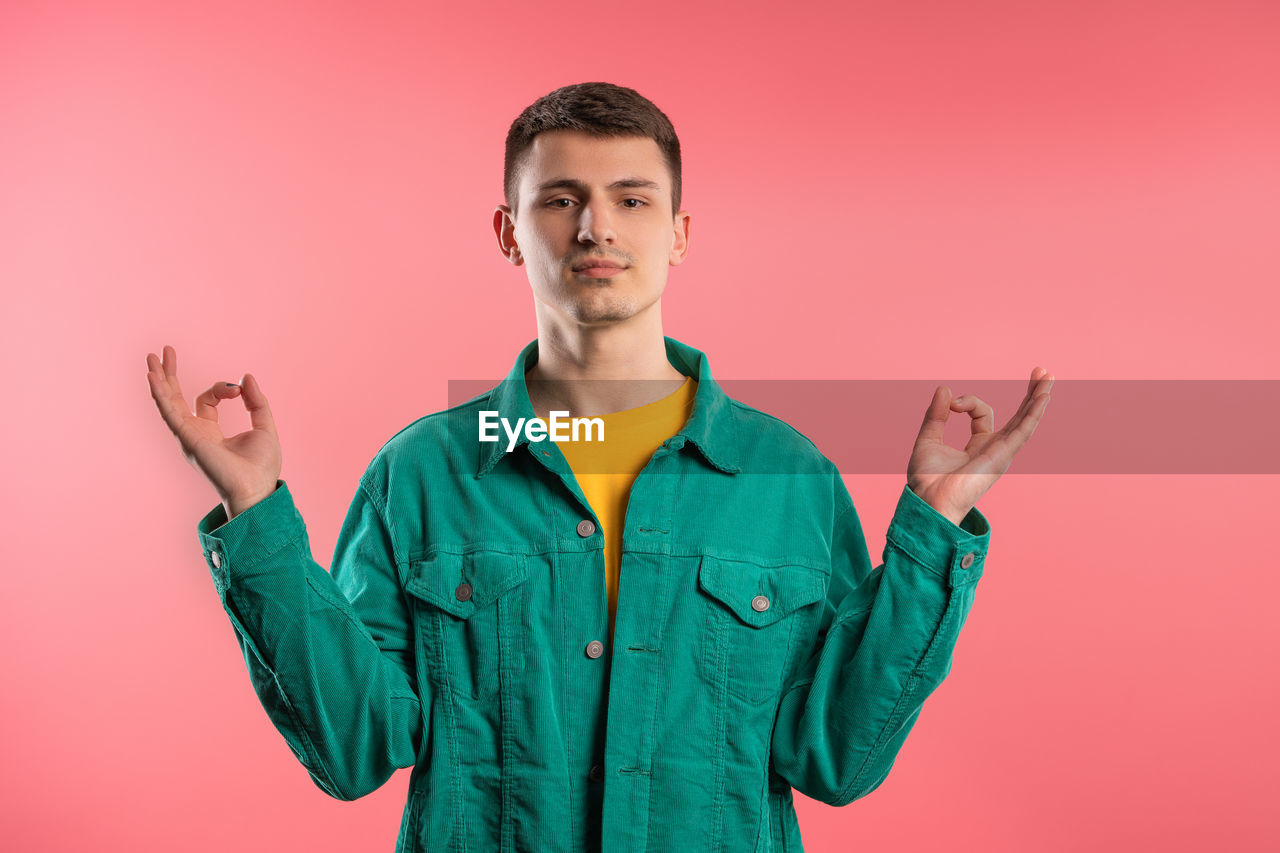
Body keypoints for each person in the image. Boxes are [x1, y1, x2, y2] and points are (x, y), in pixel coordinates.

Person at [146, 81, 1052, 852]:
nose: (594, 228)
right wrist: (256, 509)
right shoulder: (421, 474)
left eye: (632, 198)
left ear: (680, 232)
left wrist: (933, 529)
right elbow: (352, 750)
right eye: (559, 198)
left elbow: (837, 757)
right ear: (508, 231)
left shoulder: (787, 477)